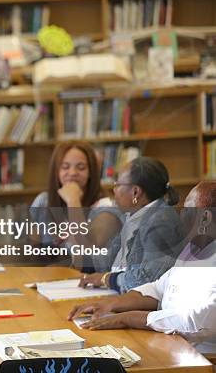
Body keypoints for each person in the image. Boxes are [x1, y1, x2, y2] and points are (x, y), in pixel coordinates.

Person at [68, 180, 216, 354]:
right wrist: (109, 305)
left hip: (202, 361)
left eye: (186, 210)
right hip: (171, 347)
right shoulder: (194, 249)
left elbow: (198, 322)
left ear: (205, 218)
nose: (181, 215)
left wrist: (129, 318)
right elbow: (159, 288)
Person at [79, 157, 184, 293]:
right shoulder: (133, 216)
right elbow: (110, 262)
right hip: (119, 294)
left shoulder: (160, 222)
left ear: (135, 192)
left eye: (117, 185)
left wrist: (107, 279)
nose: (113, 190)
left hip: (142, 307)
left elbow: (148, 279)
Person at [30, 141, 121, 269]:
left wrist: (73, 201)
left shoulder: (107, 207)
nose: (72, 173)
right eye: (65, 167)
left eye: (81, 167)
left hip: (89, 283)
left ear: (91, 172)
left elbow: (87, 253)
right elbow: (31, 250)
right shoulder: (43, 201)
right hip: (48, 280)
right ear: (56, 171)